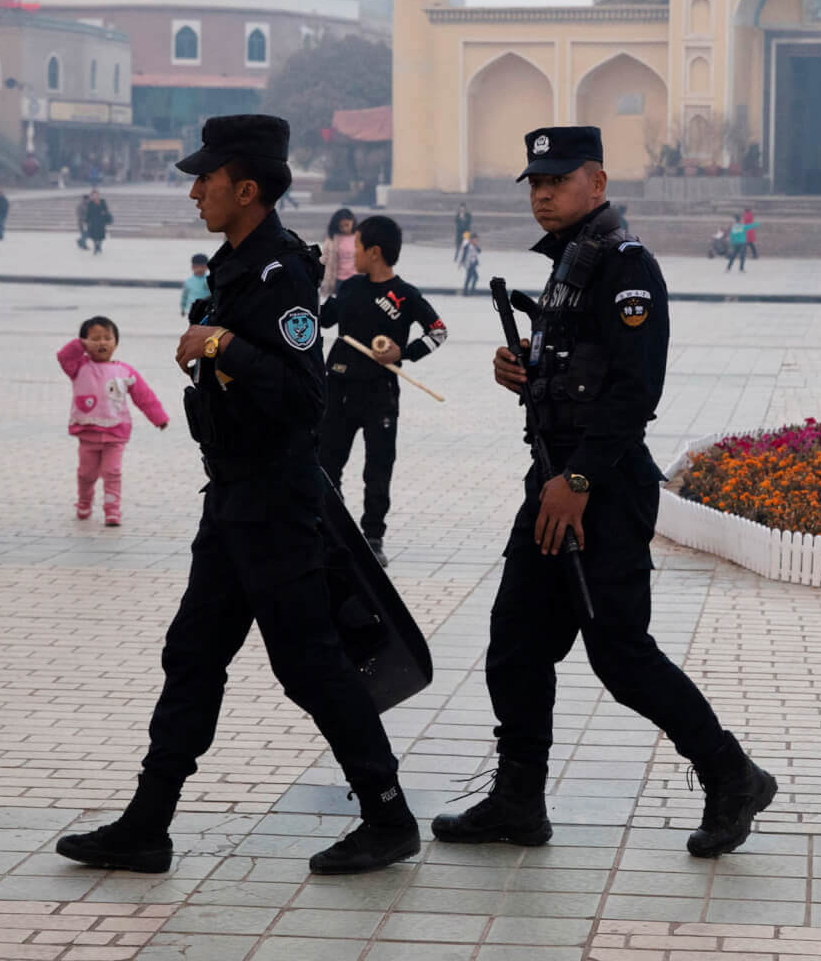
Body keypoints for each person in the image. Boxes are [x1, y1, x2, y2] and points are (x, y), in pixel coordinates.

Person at [55, 114, 419, 877]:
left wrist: (220, 344)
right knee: (191, 655)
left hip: (277, 504)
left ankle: (387, 815)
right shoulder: (234, 265)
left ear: (245, 187)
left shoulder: (279, 272)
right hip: (233, 498)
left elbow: (302, 393)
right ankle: (147, 824)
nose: (193, 192)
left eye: (205, 179)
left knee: (311, 665)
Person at [432, 125, 774, 858]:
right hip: (553, 481)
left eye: (557, 180)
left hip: (600, 489)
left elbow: (633, 390)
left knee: (620, 654)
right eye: (534, 182)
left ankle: (731, 774)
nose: (543, 194)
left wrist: (580, 480)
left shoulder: (625, 268)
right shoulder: (570, 266)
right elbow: (580, 369)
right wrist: (527, 367)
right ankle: (519, 801)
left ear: (599, 182)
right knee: (516, 644)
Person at [319, 215, 447, 565]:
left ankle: (373, 537)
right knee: (327, 462)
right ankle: (333, 528)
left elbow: (438, 333)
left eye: (357, 246)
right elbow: (321, 318)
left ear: (374, 252)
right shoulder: (350, 288)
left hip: (380, 394)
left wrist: (401, 353)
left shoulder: (405, 296)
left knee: (378, 468)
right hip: (339, 388)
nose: (353, 252)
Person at [56, 316, 168, 525]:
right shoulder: (78, 368)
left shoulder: (125, 372)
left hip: (116, 432)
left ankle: (112, 509)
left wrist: (158, 417)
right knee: (86, 473)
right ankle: (84, 502)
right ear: (84, 342)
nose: (102, 343)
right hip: (87, 431)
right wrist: (80, 345)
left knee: (112, 471)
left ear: (116, 342)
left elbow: (144, 396)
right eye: (95, 338)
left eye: (108, 338)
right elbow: (63, 357)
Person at [321, 207, 360, 301]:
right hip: (339, 280)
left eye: (347, 225)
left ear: (353, 221)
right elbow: (324, 259)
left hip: (357, 279)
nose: (344, 229)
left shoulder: (360, 237)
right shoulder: (332, 239)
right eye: (341, 226)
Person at [179, 252, 212, 317]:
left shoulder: (209, 280)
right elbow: (184, 297)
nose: (199, 269)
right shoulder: (189, 281)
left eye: (202, 266)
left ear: (207, 267)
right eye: (197, 266)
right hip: (191, 310)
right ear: (192, 267)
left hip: (206, 310)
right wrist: (183, 309)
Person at [84, 188, 113, 255]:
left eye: (96, 195)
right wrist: (87, 220)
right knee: (93, 236)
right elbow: (88, 212)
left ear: (98, 195)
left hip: (101, 221)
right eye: (93, 195)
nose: (95, 196)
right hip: (93, 222)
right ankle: (96, 247)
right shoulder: (90, 203)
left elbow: (106, 209)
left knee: (101, 236)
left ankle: (99, 245)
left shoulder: (102, 201)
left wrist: (104, 212)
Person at [461, 230, 482, 295]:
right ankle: (470, 291)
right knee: (475, 277)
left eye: (477, 240)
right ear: (471, 239)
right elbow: (464, 254)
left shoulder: (474, 245)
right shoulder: (467, 246)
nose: (476, 241)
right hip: (469, 264)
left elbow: (479, 251)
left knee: (469, 277)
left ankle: (466, 291)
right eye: (475, 239)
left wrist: (476, 245)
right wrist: (463, 262)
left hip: (472, 264)